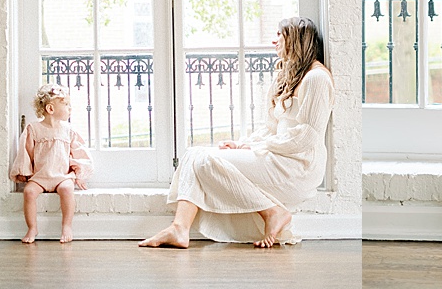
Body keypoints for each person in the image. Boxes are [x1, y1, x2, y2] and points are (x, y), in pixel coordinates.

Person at [140, 17, 334, 249]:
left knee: (203, 161)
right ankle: (179, 229)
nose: (274, 41)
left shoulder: (317, 78)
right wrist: (244, 143)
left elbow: (307, 137)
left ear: (295, 41)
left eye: (280, 36)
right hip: (277, 156)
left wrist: (256, 148)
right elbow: (271, 127)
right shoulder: (288, 76)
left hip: (298, 166)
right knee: (194, 154)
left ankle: (272, 212)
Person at [9, 83, 93, 243]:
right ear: (50, 109)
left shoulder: (68, 130)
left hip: (62, 177)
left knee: (68, 189)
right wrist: (24, 172)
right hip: (40, 177)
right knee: (29, 192)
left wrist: (78, 173)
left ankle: (67, 226)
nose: (70, 108)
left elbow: (78, 153)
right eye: (66, 104)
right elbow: (26, 152)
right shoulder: (33, 129)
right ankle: (32, 228)